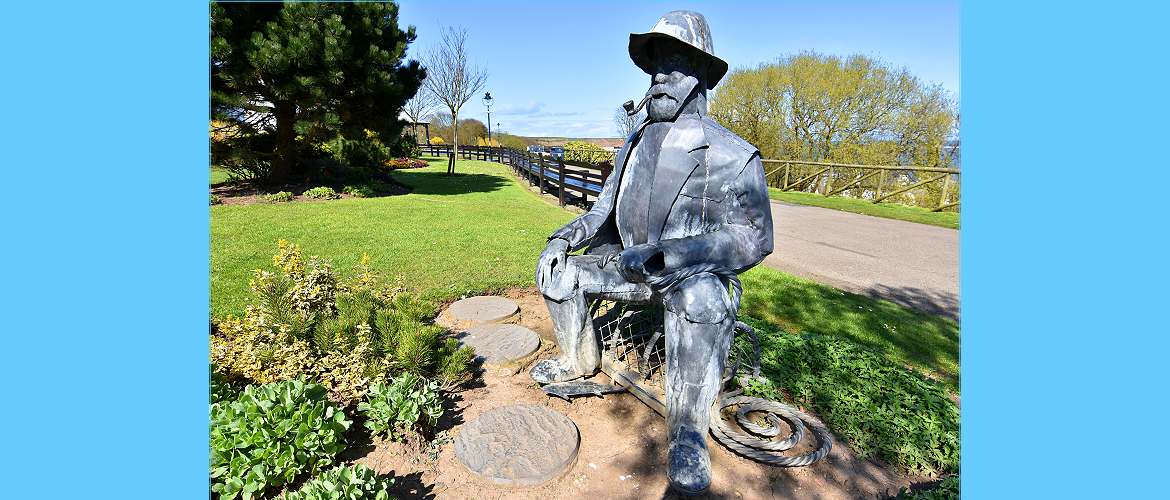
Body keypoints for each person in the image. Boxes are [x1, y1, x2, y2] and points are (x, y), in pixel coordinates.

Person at [530, 10, 774, 495]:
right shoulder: (634, 143)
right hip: (624, 267)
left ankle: (687, 433)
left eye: (676, 63)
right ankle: (578, 361)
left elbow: (755, 237)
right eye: (657, 64)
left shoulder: (732, 154)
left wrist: (673, 255)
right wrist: (562, 238)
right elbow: (601, 212)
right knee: (557, 272)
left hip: (686, 276)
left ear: (702, 74)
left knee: (702, 301)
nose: (661, 75)